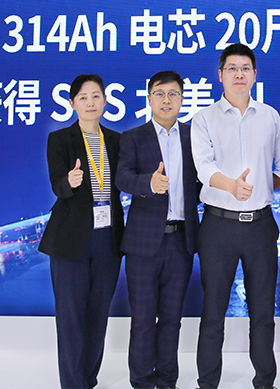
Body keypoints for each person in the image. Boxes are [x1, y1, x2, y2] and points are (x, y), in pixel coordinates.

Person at [191, 43, 280, 389]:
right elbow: (203, 168)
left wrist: (258, 189)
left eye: (245, 68)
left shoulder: (270, 116)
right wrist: (231, 186)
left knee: (263, 313)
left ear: (255, 75)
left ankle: (265, 382)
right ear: (220, 75)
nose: (239, 74)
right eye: (232, 68)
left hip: (261, 226)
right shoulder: (203, 119)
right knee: (213, 313)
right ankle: (207, 383)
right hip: (219, 226)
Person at [115, 71, 201, 389]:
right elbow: (122, 178)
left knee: (171, 319)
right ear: (149, 98)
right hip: (143, 244)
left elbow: (205, 179)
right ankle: (141, 381)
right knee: (142, 319)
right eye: (160, 94)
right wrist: (148, 183)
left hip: (181, 240)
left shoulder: (194, 137)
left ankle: (167, 381)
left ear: (182, 99)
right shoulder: (133, 137)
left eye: (173, 94)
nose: (167, 100)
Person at [38, 74, 124, 389]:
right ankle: (73, 384)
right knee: (71, 318)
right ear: (72, 103)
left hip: (108, 239)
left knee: (98, 315)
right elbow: (57, 185)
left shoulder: (116, 141)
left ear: (105, 101)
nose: (90, 103)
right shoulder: (60, 139)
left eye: (96, 96)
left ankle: (89, 379)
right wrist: (69, 182)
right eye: (83, 97)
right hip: (70, 240)